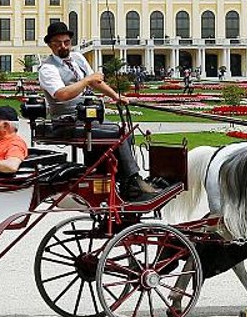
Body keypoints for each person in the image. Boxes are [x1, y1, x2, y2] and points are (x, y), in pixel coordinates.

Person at [37, 20, 160, 202]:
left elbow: (96, 81)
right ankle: (132, 182)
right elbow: (61, 94)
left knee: (115, 129)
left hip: (86, 116)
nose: (63, 46)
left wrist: (115, 96)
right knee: (117, 132)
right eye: (58, 43)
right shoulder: (48, 68)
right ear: (50, 45)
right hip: (66, 120)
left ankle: (113, 177)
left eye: (66, 42)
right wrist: (86, 81)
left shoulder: (77, 58)